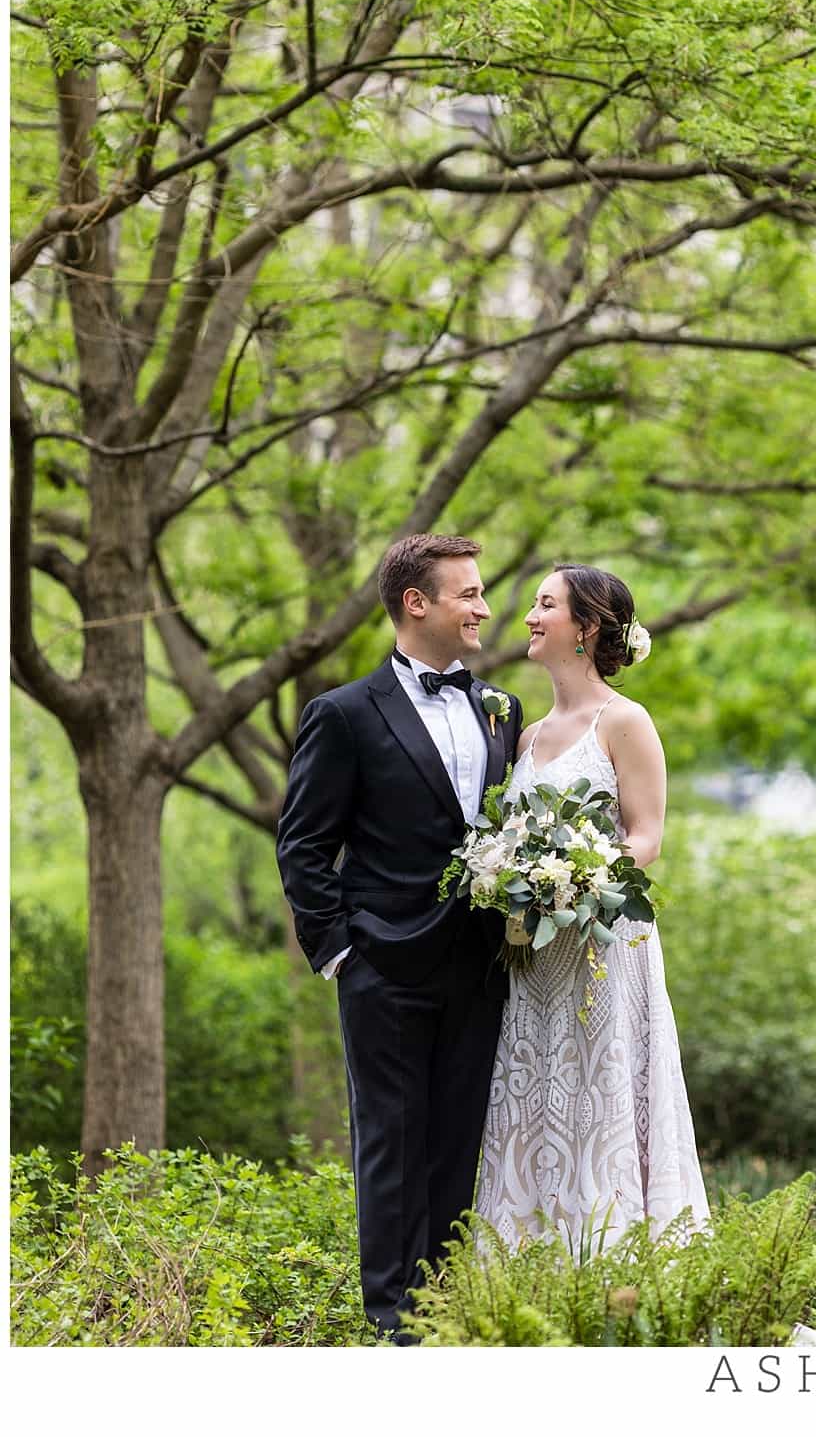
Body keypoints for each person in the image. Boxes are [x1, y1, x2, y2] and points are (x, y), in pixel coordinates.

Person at [276, 533, 522, 1339]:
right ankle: (392, 1322)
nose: (484, 607)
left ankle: (445, 1310)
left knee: (457, 1139)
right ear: (417, 603)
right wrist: (340, 949)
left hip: (480, 963)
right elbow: (304, 843)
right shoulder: (342, 714)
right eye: (468, 593)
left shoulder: (502, 709)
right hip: (382, 962)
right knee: (391, 1139)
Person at [473, 563, 708, 1247]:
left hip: (605, 944)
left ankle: (615, 1259)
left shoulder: (625, 722)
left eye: (546, 604)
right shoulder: (524, 737)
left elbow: (647, 838)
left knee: (599, 1097)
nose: (529, 616)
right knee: (537, 1102)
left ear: (586, 627)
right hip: (536, 954)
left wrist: (573, 880)